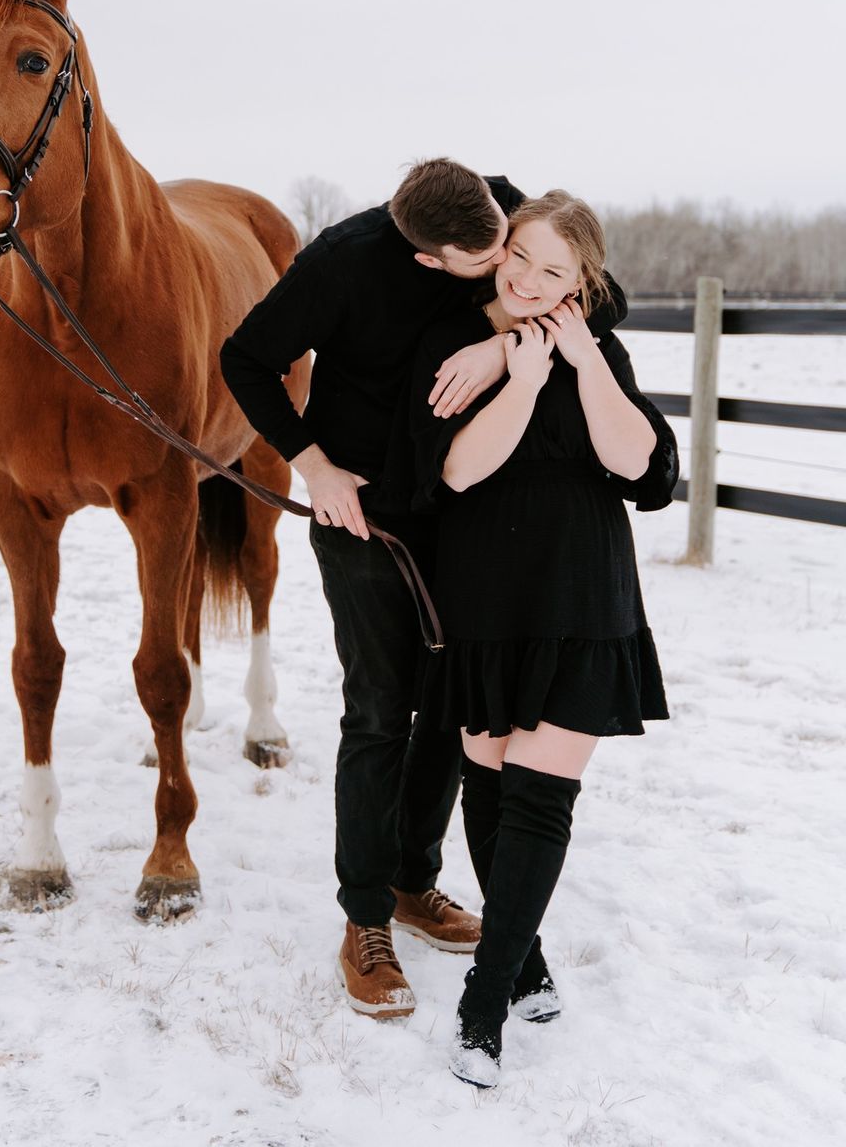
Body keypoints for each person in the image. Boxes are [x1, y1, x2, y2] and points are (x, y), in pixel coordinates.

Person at [219, 159, 629, 1019]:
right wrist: (313, 464)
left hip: (465, 510)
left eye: (507, 243)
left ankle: (415, 880)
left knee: (452, 702)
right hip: (364, 505)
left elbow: (598, 291)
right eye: (485, 263)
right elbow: (246, 358)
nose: (507, 270)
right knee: (379, 706)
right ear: (432, 261)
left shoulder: (496, 214)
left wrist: (502, 342)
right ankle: (365, 918)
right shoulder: (342, 262)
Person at [407, 191, 677, 1086]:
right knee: (484, 784)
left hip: (583, 595)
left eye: (553, 270)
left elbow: (638, 463)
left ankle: (483, 1005)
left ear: (584, 281)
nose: (527, 277)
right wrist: (518, 377)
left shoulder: (598, 344)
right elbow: (455, 469)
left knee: (538, 797)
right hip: (485, 596)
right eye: (519, 255)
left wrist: (583, 359)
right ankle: (526, 961)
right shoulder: (461, 340)